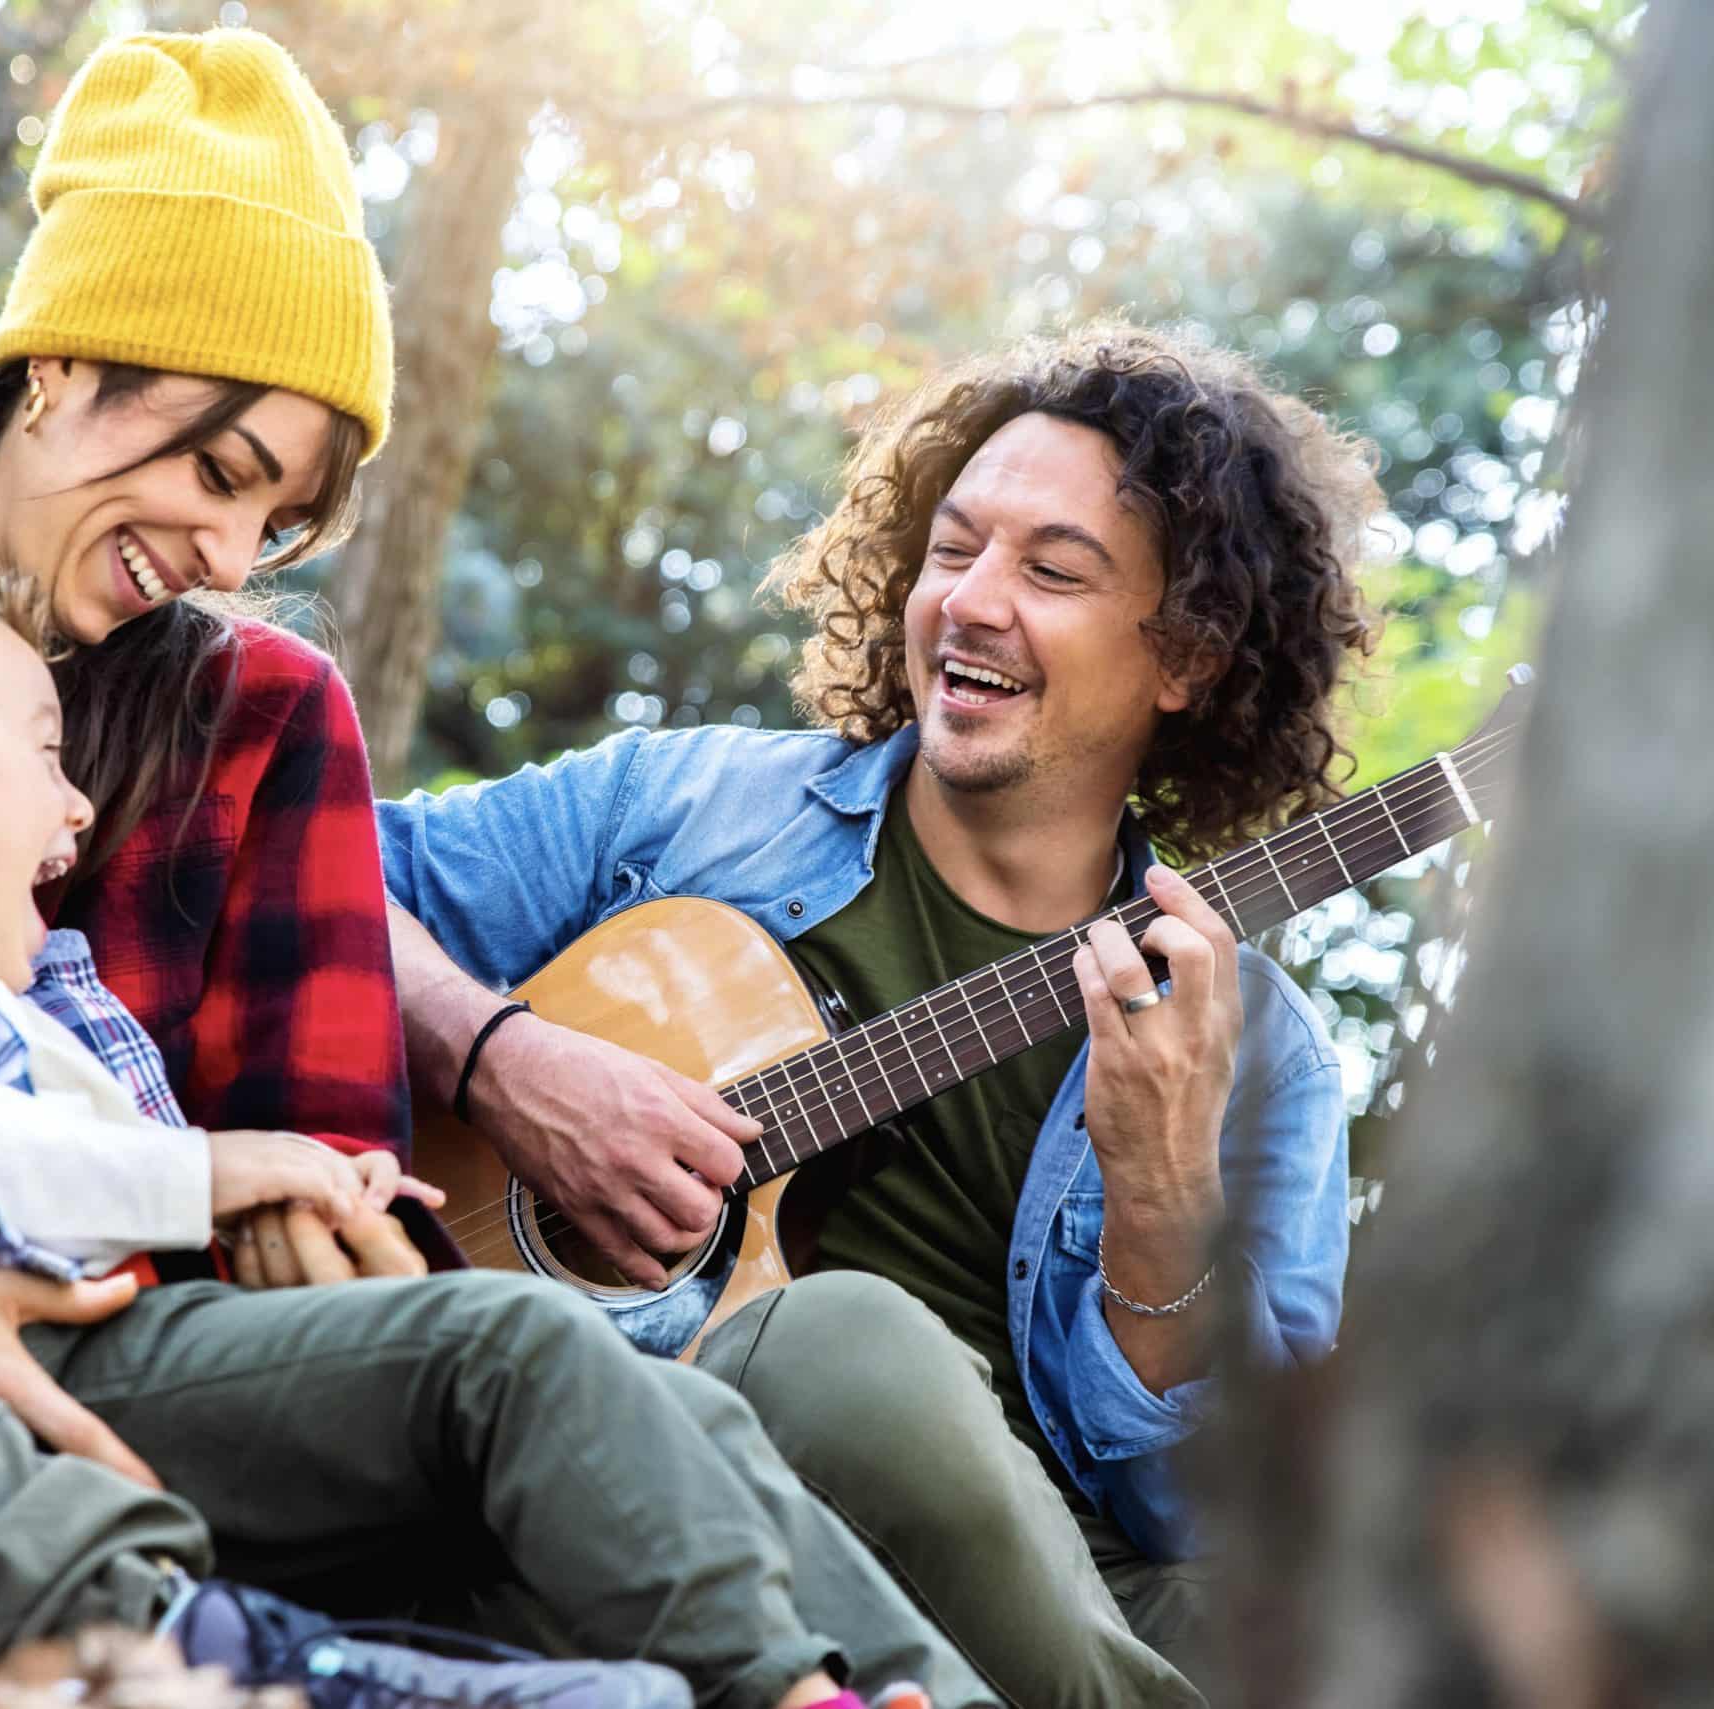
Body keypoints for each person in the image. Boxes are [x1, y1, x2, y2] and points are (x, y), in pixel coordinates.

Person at [0, 30, 986, 1709]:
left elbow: (333, 1187)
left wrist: (283, 1224)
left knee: (663, 1409)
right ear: (61, 366)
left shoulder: (263, 716)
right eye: (221, 470)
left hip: (221, 1379)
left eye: (276, 519)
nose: (228, 556)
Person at [0, 527, 974, 1709]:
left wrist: (322, 1209)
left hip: (179, 1353)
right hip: (38, 1377)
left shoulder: (40, 981)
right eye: (48, 753)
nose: (76, 805)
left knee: (679, 1408)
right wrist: (211, 1171)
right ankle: (785, 1689)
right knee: (509, 1346)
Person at [379, 321, 1379, 1708]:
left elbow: (1205, 1511)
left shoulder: (1253, 1047)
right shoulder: (695, 808)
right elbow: (317, 868)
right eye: (952, 547)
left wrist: (1159, 1190)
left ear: (1187, 659)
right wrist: (499, 1056)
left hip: (1064, 1580)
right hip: (689, 1467)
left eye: (1052, 569)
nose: (970, 600)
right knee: (857, 1341)